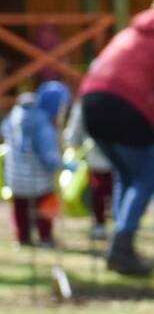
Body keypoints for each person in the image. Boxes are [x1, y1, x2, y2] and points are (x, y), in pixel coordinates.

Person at [80, 0, 154, 276]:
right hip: (127, 108)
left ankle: (121, 246)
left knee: (127, 175)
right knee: (148, 177)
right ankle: (121, 247)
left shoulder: (133, 31)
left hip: (90, 102)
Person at [2, 81, 70, 248]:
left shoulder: (14, 116)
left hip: (15, 176)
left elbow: (4, 131)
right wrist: (59, 165)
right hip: (38, 178)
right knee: (44, 205)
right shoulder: (43, 125)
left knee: (20, 207)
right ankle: (45, 237)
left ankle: (22, 237)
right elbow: (48, 155)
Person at [64, 97, 113, 240]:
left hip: (100, 153)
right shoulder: (86, 101)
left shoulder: (86, 100)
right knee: (101, 189)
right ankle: (101, 223)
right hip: (102, 153)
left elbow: (75, 128)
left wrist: (72, 143)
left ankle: (102, 224)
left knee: (100, 189)